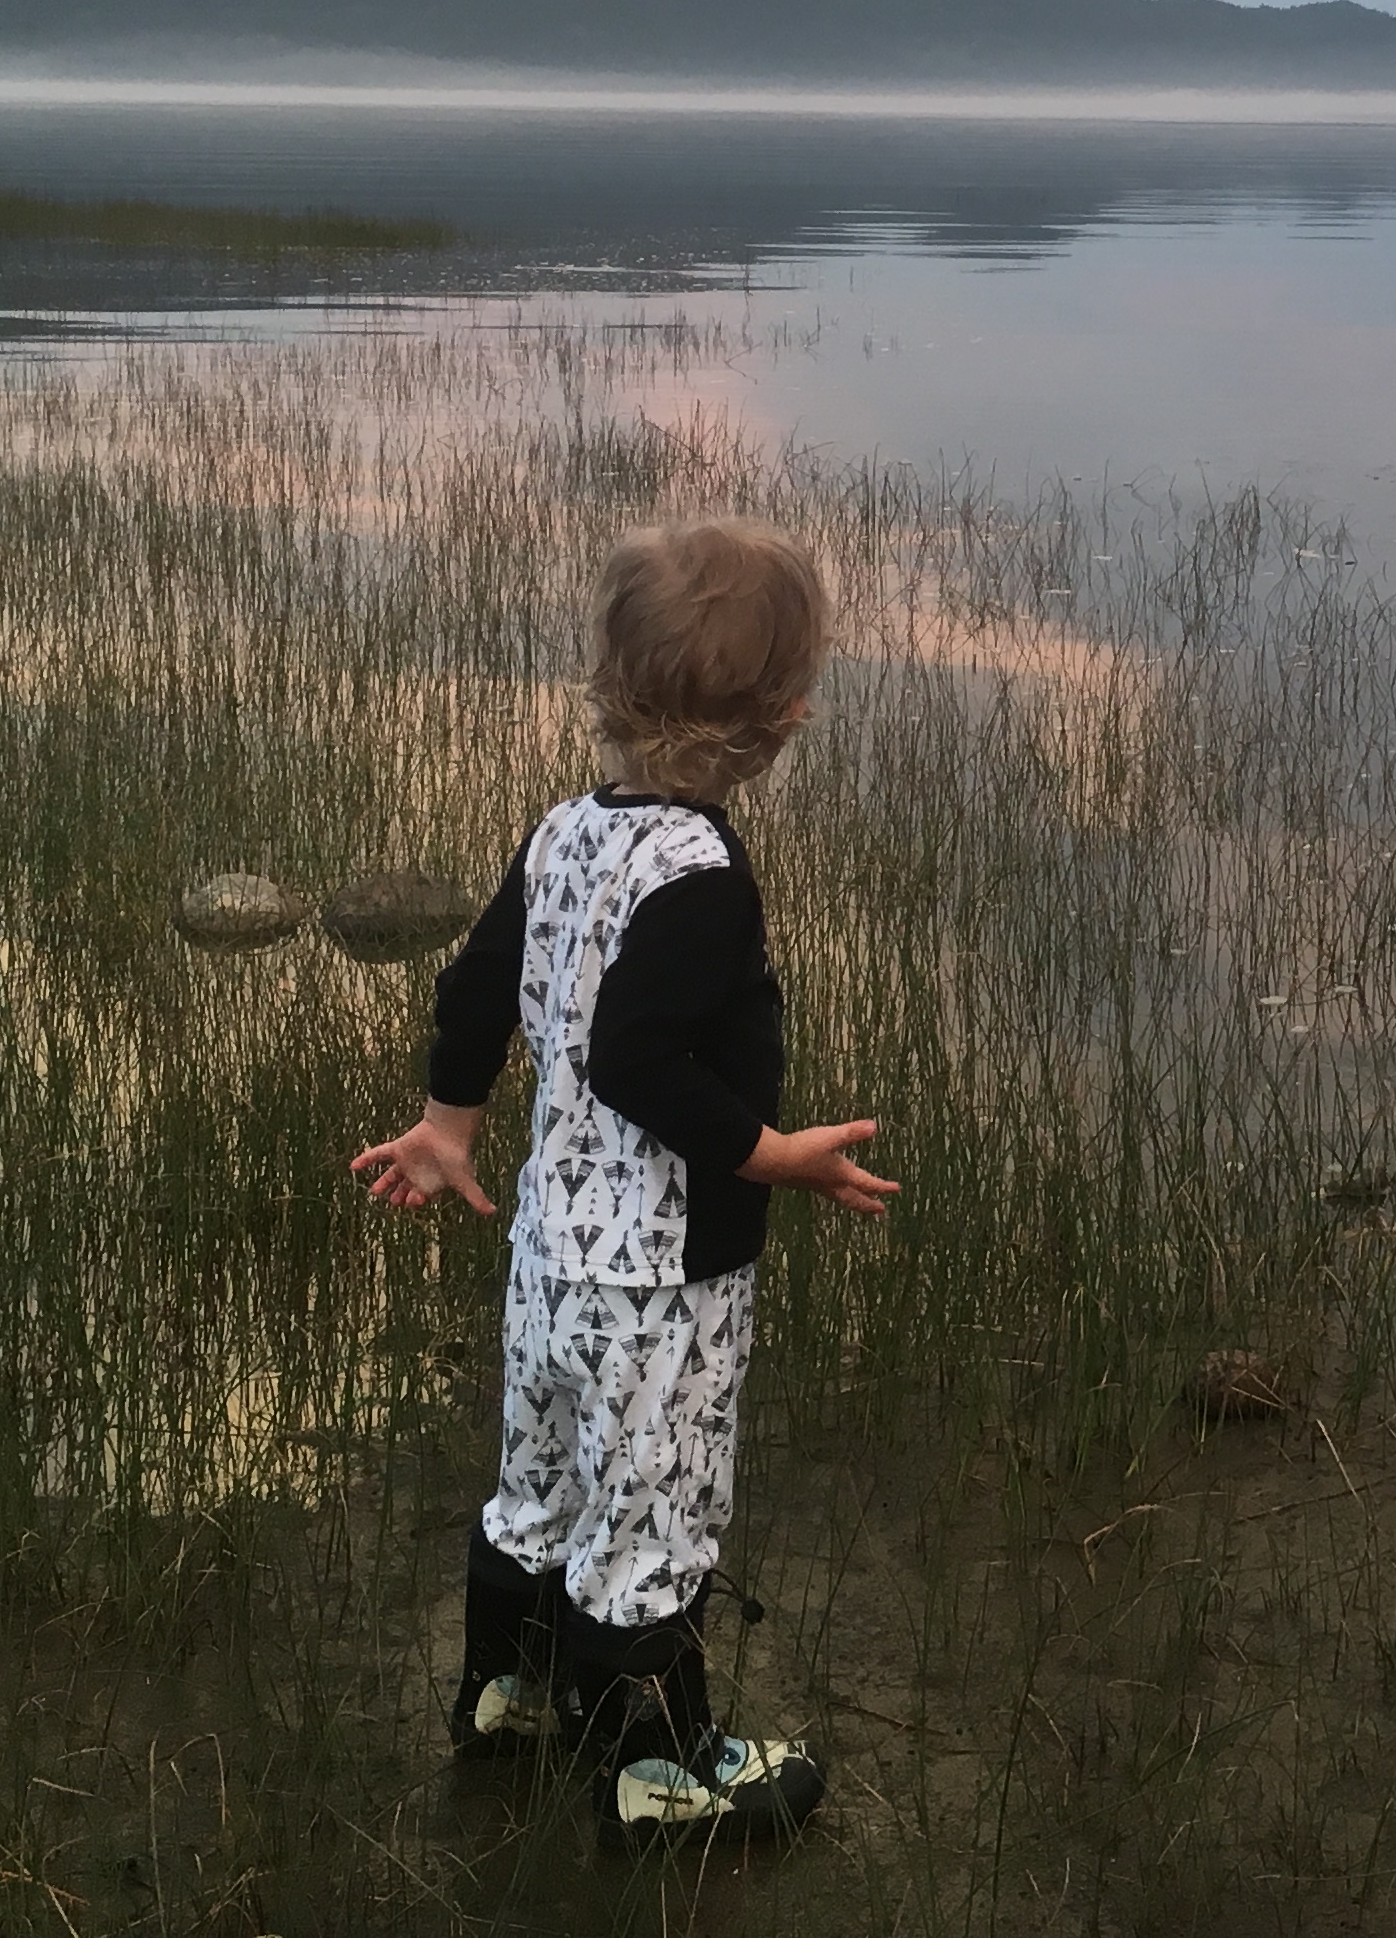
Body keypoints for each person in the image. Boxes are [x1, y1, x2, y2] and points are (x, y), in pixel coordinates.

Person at [351, 517, 897, 1844]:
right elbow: (638, 1061)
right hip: (663, 1283)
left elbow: (478, 985)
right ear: (784, 716)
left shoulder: (563, 835)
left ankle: (508, 1695)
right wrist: (777, 1157)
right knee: (656, 1515)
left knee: (539, 1483)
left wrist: (447, 1125)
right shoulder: (704, 879)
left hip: (551, 1259)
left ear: (609, 684)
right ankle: (656, 1776)